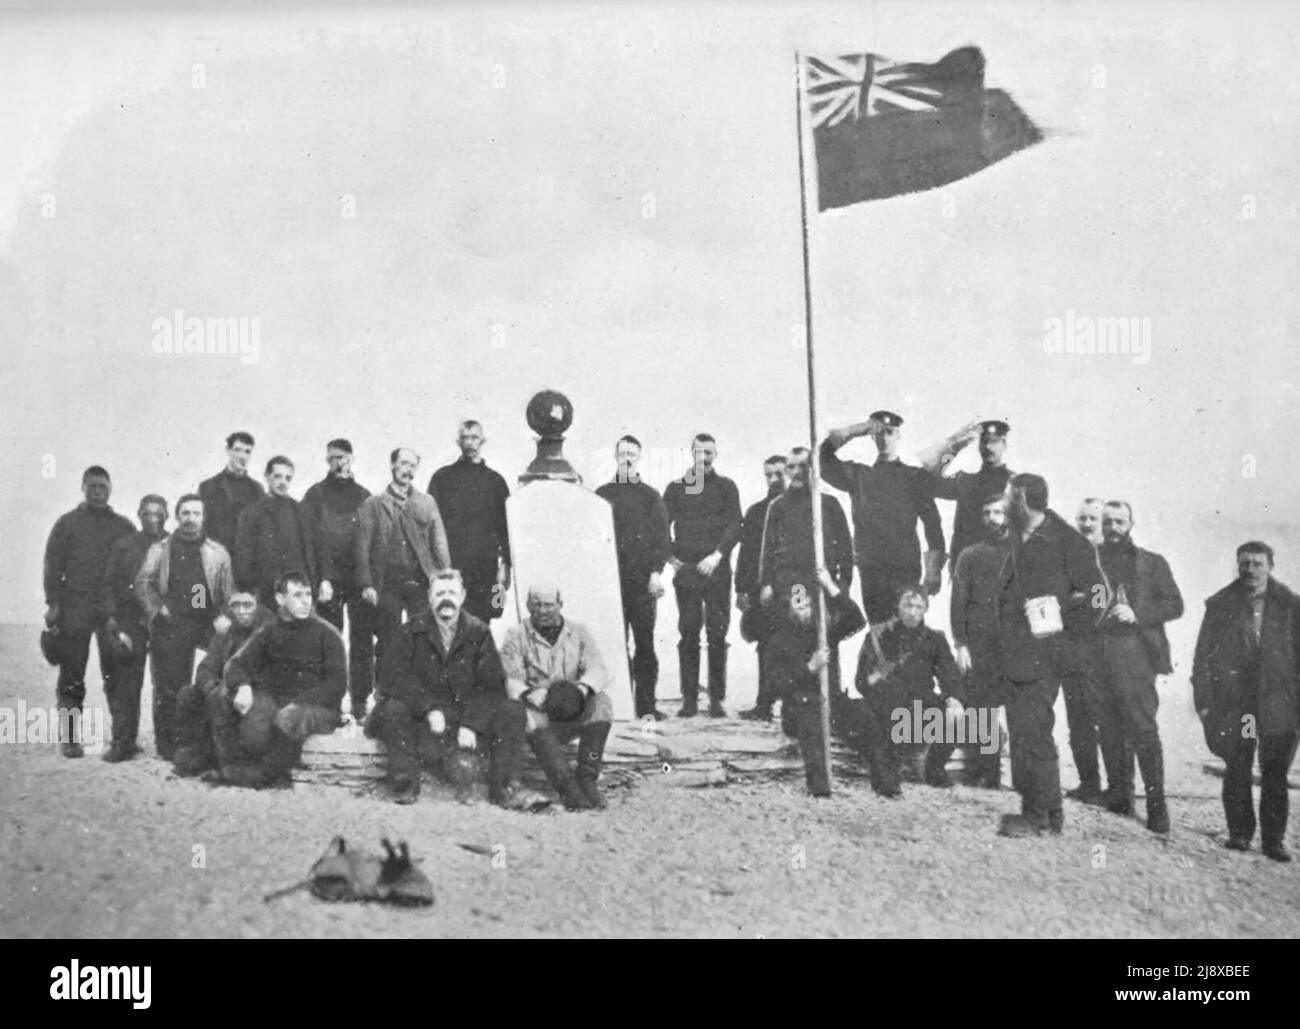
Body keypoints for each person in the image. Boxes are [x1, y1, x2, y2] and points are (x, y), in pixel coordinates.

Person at [369, 570, 548, 810]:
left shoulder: (479, 632)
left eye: (451, 593)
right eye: (439, 593)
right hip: (424, 723)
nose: (446, 599)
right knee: (391, 709)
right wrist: (428, 709)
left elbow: (491, 685)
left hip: (462, 720)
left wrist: (472, 724)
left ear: (462, 596)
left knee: (512, 709)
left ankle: (505, 788)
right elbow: (395, 679)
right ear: (430, 598)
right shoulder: (410, 630)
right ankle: (405, 784)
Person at [994, 473, 1104, 838]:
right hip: (1014, 653)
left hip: (1048, 655)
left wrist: (1064, 624)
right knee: (1023, 730)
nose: (1004, 504)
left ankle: (1037, 815)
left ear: (1024, 501)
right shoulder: (1014, 537)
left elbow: (1098, 596)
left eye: (1010, 499)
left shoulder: (1069, 542)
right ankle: (1050, 811)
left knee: (1033, 732)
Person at [1192, 541, 1299, 862]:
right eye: (1245, 563)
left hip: (1278, 705)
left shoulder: (1291, 606)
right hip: (1240, 707)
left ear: (1270, 566)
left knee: (1275, 771)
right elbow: (1202, 660)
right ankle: (1239, 833)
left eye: (1257, 564)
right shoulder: (1221, 605)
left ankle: (1273, 841)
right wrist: (1205, 705)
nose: (1250, 570)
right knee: (1238, 767)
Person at [1091, 501, 1182, 834]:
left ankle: (1157, 808)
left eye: (1119, 521)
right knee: (1108, 726)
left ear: (1131, 523)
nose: (1113, 527)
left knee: (1142, 728)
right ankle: (1120, 796)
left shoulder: (1151, 562)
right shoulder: (1089, 559)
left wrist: (1136, 614)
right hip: (1098, 652)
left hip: (1135, 653)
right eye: (1108, 522)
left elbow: (1175, 603)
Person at [215, 571, 346, 788]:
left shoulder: (328, 634)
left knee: (289, 717)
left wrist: (299, 702)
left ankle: (263, 775)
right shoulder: (270, 631)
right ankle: (233, 764)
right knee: (232, 702)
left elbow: (336, 686)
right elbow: (236, 664)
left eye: (308, 594)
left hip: (318, 709)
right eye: (297, 595)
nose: (305, 601)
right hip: (278, 701)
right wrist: (243, 687)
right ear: (280, 599)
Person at [42, 466, 135, 757]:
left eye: (103, 487)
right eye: (92, 486)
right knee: (71, 675)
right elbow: (52, 566)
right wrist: (54, 604)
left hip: (111, 611)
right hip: (74, 608)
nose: (98, 491)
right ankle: (70, 738)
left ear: (110, 489)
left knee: (116, 674)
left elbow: (133, 568)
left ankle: (121, 739)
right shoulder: (67, 524)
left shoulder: (123, 526)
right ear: (83, 487)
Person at [758, 446, 854, 724]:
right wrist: (766, 583)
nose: (798, 472)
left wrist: (842, 586)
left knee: (827, 641)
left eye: (804, 466)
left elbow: (846, 550)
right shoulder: (778, 506)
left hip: (822, 584)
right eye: (793, 467)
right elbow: (768, 548)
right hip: (793, 586)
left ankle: (831, 705)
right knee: (796, 640)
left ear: (815, 469)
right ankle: (793, 709)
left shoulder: (829, 504)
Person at [820, 411, 944, 626]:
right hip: (871, 568)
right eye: (878, 433)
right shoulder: (858, 476)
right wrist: (858, 429)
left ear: (899, 436)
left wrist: (934, 569)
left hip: (905, 566)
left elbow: (933, 524)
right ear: (872, 436)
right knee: (879, 632)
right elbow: (821, 461)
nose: (884, 438)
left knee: (909, 627)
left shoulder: (913, 477)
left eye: (890, 432)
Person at [136, 493, 233, 760]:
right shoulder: (160, 549)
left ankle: (209, 742)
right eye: (186, 513)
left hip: (205, 624)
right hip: (171, 625)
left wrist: (223, 616)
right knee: (169, 688)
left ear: (204, 518)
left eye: (196, 513)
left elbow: (227, 593)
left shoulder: (218, 552)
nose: (191, 519)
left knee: (214, 681)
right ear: (177, 516)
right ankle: (169, 746)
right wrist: (158, 608)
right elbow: (144, 583)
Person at [500, 584, 613, 810]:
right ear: (528, 605)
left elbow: (598, 668)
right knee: (531, 718)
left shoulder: (579, 632)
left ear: (560, 605)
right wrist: (529, 693)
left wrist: (581, 689)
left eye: (549, 605)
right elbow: (509, 677)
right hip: (539, 714)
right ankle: (568, 788)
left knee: (602, 704)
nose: (542, 610)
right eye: (537, 604)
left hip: (570, 707)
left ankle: (587, 779)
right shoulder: (516, 635)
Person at [765, 569, 866, 797]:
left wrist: (831, 586)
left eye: (809, 606)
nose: (804, 611)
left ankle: (886, 785)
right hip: (798, 708)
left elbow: (857, 620)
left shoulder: (824, 632)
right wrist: (810, 667)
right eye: (799, 606)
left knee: (865, 715)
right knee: (809, 708)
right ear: (789, 607)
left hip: (832, 702)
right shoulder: (779, 640)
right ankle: (820, 787)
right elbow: (778, 685)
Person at [856, 586, 964, 797]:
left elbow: (949, 674)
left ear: (925, 610)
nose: (913, 612)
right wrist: (878, 684)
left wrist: (954, 698)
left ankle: (934, 769)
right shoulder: (878, 636)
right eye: (907, 605)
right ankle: (888, 780)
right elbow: (861, 681)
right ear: (898, 606)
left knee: (959, 714)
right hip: (887, 703)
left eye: (918, 606)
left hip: (921, 704)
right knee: (884, 716)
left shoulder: (935, 639)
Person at [663, 433, 743, 717]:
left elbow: (735, 525)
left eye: (709, 452)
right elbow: (662, 525)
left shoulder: (726, 487)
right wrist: (673, 558)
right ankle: (689, 699)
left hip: (717, 571)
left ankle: (717, 699)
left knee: (718, 635)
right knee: (688, 633)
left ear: (716, 454)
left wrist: (717, 555)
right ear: (692, 454)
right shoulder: (675, 489)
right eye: (699, 452)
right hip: (687, 572)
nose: (704, 457)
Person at [354, 447, 451, 672]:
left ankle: (422, 691)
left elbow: (439, 543)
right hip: (387, 583)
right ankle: (387, 692)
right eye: (403, 464)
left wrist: (446, 577)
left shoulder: (426, 503)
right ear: (392, 465)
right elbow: (361, 547)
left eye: (412, 466)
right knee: (390, 637)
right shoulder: (373, 504)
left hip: (420, 581)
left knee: (425, 635)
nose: (407, 470)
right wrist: (367, 584)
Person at [595, 435, 671, 720]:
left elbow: (661, 539)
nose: (627, 459)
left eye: (632, 455)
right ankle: (620, 703)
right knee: (613, 644)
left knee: (645, 645)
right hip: (611, 583)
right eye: (622, 454)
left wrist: (655, 574)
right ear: (616, 456)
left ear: (638, 458)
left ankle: (646, 706)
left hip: (641, 583)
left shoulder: (650, 496)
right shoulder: (602, 494)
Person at [302, 439, 375, 719]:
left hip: (357, 581)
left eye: (342, 457)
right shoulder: (315, 494)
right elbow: (310, 542)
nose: (338, 463)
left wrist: (367, 583)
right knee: (329, 641)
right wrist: (320, 579)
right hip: (327, 582)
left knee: (361, 641)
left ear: (352, 459)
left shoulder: (364, 496)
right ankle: (330, 701)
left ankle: (359, 701)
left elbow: (369, 540)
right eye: (332, 458)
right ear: (326, 461)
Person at [171, 589, 276, 776]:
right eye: (236, 605)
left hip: (256, 695)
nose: (242, 611)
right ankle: (196, 754)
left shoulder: (269, 630)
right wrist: (212, 686)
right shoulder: (226, 630)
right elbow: (205, 667)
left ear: (257, 605)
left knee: (223, 702)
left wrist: (237, 688)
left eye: (248, 605)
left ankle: (230, 764)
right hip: (223, 690)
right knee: (188, 695)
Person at [98, 494, 170, 761]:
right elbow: (107, 585)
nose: (153, 519)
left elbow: (196, 586)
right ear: (139, 515)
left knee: (166, 684)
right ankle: (123, 742)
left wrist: (192, 613)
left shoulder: (176, 546)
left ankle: (167, 744)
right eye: (147, 513)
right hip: (130, 620)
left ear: (166, 516)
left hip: (165, 621)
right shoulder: (124, 546)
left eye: (158, 514)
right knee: (127, 683)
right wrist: (112, 620)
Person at [950, 493, 1012, 788]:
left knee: (1019, 709)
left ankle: (1018, 776)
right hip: (980, 644)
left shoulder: (1023, 552)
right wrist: (961, 644)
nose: (992, 518)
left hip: (1014, 644)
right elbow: (958, 602)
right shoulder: (970, 555)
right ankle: (984, 773)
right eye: (987, 512)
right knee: (982, 708)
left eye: (998, 512)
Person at [427, 420, 512, 623]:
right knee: (448, 620)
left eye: (474, 437)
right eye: (465, 438)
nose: (470, 443)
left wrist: (506, 567)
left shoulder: (496, 482)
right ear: (458, 441)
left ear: (483, 441)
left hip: (486, 567)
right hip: (451, 566)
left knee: (492, 612)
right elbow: (430, 525)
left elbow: (505, 529)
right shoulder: (442, 479)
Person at [1060, 497, 1109, 803]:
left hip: (1107, 652)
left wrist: (1081, 599)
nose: (1087, 524)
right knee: (1078, 720)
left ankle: (1119, 788)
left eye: (1093, 519)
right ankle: (1089, 783)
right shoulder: (1070, 556)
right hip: (1074, 650)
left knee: (1110, 722)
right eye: (1082, 519)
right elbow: (1060, 598)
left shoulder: (1113, 557)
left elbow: (1107, 599)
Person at [735, 455, 787, 721]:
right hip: (761, 590)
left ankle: (792, 707)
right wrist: (741, 589)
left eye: (780, 473)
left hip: (791, 588)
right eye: (769, 475)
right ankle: (763, 704)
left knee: (793, 646)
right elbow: (746, 554)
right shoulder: (756, 512)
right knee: (765, 646)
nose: (775, 479)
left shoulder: (799, 507)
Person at [925, 419, 1014, 569]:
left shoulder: (1015, 484)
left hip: (1001, 569)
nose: (988, 447)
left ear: (1004, 444)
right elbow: (930, 479)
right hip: (965, 569)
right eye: (984, 442)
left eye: (994, 442)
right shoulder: (964, 481)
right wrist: (954, 447)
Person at [233, 455, 316, 606]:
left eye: (288, 478)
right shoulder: (251, 514)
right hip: (266, 594)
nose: (283, 482)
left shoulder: (301, 511)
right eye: (277, 476)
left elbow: (310, 555)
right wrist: (250, 592)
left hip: (297, 593)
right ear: (267, 476)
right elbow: (243, 560)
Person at [198, 431, 264, 551]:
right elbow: (200, 528)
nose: (242, 456)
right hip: (217, 558)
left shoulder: (257, 490)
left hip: (247, 561)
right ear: (228, 451)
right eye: (238, 450)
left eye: (247, 451)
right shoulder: (208, 487)